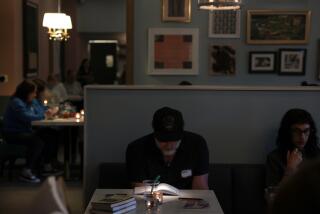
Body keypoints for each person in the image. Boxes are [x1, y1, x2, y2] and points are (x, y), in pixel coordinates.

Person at [126, 107, 209, 189]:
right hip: (153, 199)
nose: (169, 146)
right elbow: (140, 190)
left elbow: (200, 187)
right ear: (155, 133)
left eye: (174, 140)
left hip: (188, 199)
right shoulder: (137, 148)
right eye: (163, 140)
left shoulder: (196, 144)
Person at [2, 80, 59, 183]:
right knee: (37, 141)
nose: (35, 94)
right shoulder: (16, 102)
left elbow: (38, 111)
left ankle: (46, 166)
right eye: (33, 92)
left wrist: (46, 112)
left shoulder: (27, 101)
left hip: (25, 131)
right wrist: (45, 115)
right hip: (13, 134)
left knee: (50, 135)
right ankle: (26, 171)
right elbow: (26, 117)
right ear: (26, 92)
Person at [266, 108, 320, 187]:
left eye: (306, 131)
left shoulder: (317, 155)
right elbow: (272, 197)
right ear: (288, 132)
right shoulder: (274, 158)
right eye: (296, 131)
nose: (302, 137)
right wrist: (290, 170)